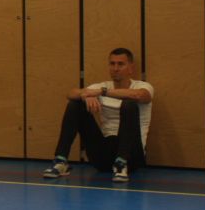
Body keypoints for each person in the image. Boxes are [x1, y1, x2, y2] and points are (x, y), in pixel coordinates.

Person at [42, 47, 153, 183]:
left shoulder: (142, 86)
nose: (115, 68)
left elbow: (140, 96)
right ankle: (61, 160)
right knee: (75, 104)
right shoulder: (102, 86)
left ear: (131, 68)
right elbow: (71, 93)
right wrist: (85, 95)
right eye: (112, 64)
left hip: (132, 156)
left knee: (129, 104)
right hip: (103, 156)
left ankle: (121, 164)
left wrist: (102, 92)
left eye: (120, 64)